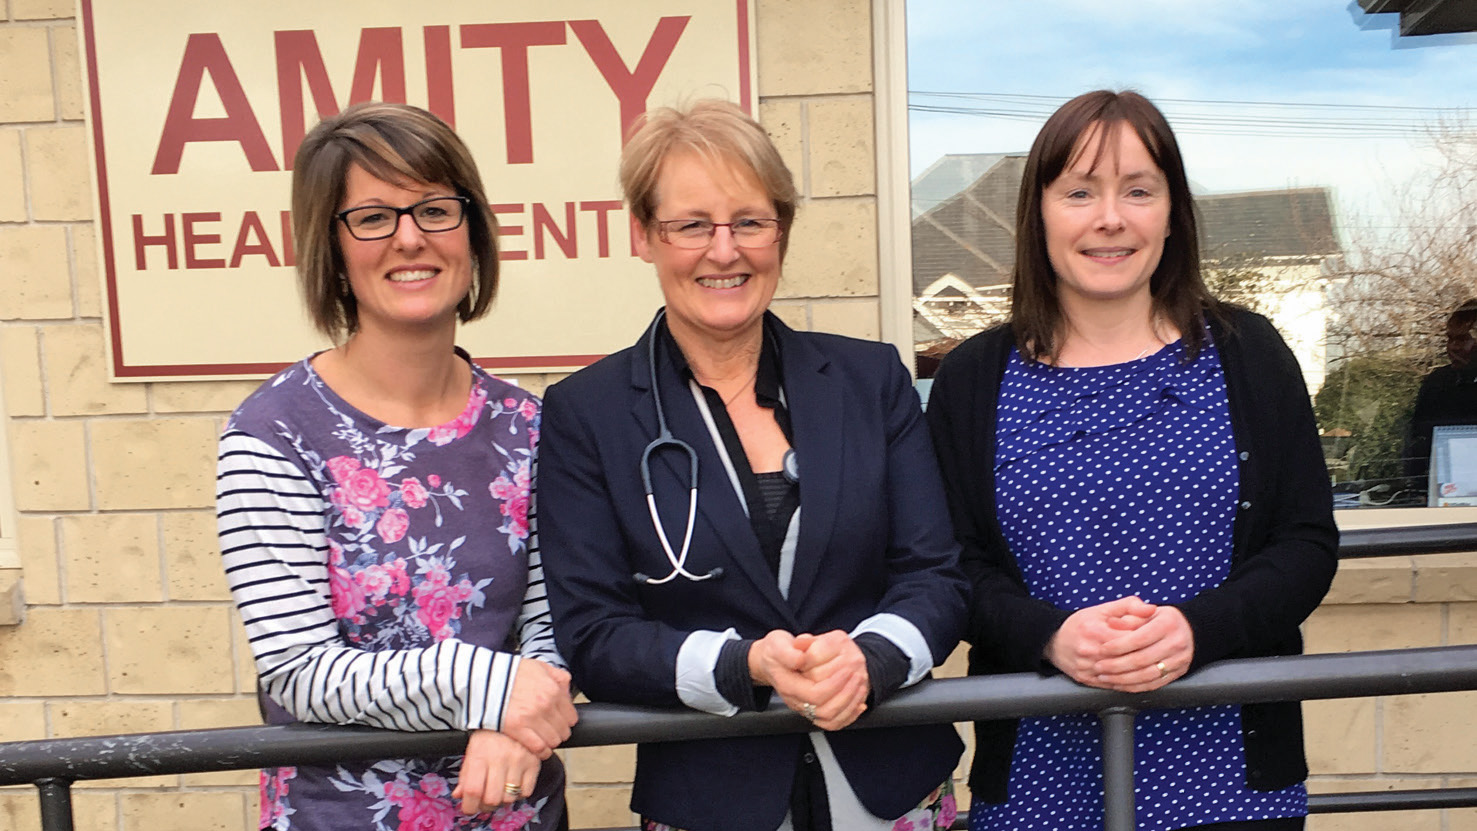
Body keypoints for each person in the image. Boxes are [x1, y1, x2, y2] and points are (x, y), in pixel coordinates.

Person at [535, 99, 969, 831]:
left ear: (782, 232)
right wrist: (746, 664)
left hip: (889, 786)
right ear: (643, 234)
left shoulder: (870, 381)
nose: (724, 250)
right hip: (710, 797)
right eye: (691, 224)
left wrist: (872, 657)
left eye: (750, 221)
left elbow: (937, 576)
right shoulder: (589, 412)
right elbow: (594, 633)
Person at [926, 90, 1339, 831]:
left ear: (1171, 211)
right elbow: (954, 564)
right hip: (1038, 777)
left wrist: (1197, 628)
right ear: (1040, 212)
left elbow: (1304, 542)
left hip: (1228, 776)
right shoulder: (973, 379)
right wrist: (1049, 633)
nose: (1108, 217)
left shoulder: (1249, 354)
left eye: (1137, 190)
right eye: (1079, 191)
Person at [216, 102, 577, 831]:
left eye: (435, 209)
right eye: (373, 217)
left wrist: (512, 718)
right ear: (333, 247)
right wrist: (493, 687)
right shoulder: (272, 436)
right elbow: (300, 671)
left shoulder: (530, 427)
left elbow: (557, 627)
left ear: (472, 232)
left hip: (514, 811)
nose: (410, 237)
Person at [1404, 298, 1477, 482]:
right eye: (1450, 339)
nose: (1453, 348)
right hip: (1441, 498)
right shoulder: (1438, 385)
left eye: (1462, 339)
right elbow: (1418, 447)